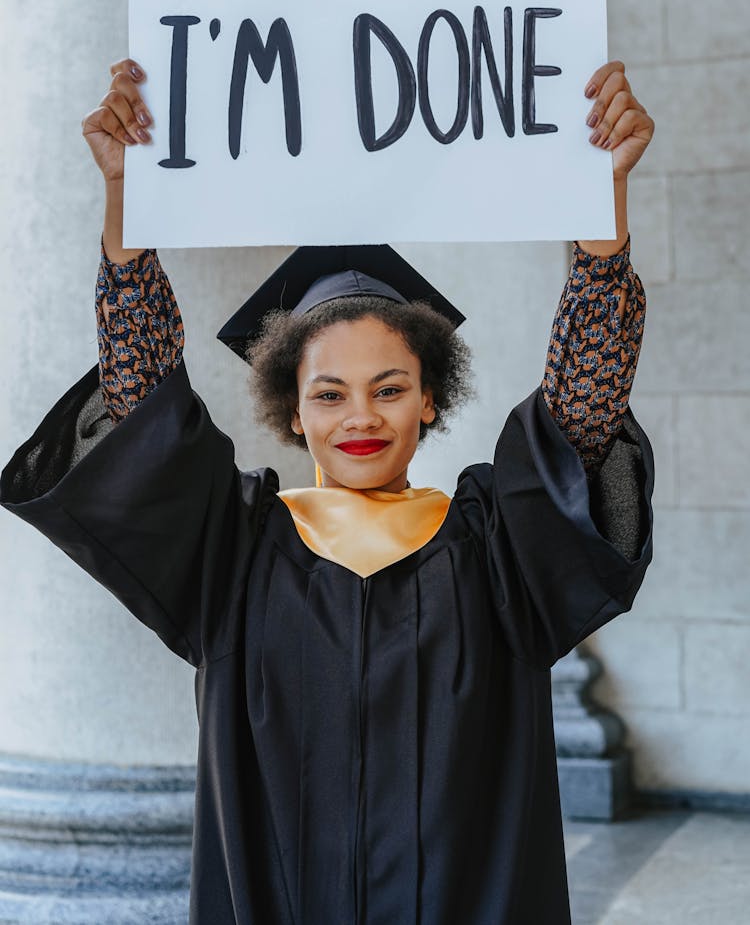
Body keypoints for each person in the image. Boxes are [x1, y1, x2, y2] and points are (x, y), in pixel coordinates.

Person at [1, 57, 655, 925]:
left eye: (390, 388)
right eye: (329, 393)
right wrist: (127, 215)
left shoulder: (492, 547)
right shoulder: (232, 552)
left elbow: (580, 414)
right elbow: (146, 404)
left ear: (430, 399)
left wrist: (601, 229)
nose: (361, 416)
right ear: (291, 410)